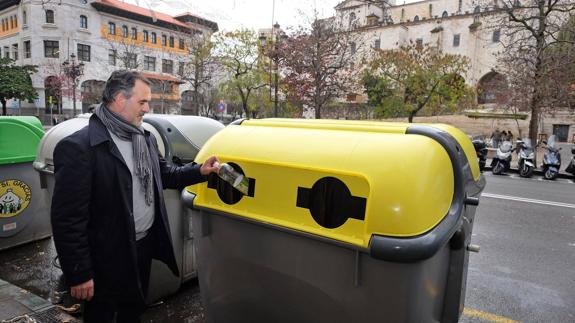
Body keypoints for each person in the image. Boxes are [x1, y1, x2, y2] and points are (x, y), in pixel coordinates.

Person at [51, 70, 220, 323]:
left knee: (133, 312)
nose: (147, 108)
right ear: (120, 99)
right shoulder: (79, 147)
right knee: (104, 316)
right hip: (104, 258)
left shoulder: (145, 138)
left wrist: (200, 171)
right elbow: (67, 219)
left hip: (140, 249)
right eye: (142, 102)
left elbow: (166, 176)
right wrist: (79, 273)